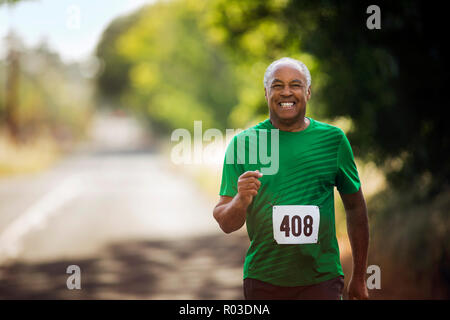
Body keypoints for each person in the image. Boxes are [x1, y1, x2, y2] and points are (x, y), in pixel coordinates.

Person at [213, 57, 369, 300]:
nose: (286, 92)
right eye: (277, 86)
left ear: (307, 92)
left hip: (322, 279)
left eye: (295, 85)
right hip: (263, 280)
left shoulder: (333, 140)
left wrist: (359, 277)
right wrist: (240, 200)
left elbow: (356, 207)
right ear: (266, 93)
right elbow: (226, 223)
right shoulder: (243, 144)